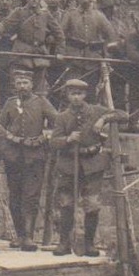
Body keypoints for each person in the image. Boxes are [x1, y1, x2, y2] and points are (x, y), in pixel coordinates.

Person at [46, 80, 122, 256]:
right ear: (67, 96)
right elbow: (53, 142)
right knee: (66, 204)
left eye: (79, 94)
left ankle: (89, 244)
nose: (76, 98)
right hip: (69, 166)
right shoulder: (62, 117)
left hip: (92, 164)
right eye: (72, 94)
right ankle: (64, 243)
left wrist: (103, 119)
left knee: (92, 205)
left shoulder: (96, 111)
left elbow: (122, 114)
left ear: (85, 95)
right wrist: (68, 139)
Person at [0, 64, 57, 250]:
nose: (22, 86)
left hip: (35, 156)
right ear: (14, 85)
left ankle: (28, 236)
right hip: (13, 157)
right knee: (15, 197)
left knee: (31, 197)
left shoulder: (41, 102)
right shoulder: (10, 103)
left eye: (25, 82)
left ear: (32, 84)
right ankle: (19, 235)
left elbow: (57, 123)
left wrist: (45, 136)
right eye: (19, 83)